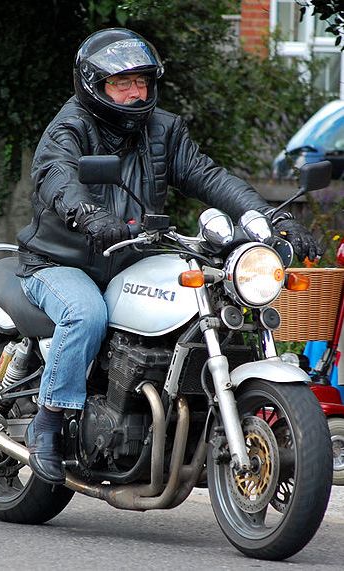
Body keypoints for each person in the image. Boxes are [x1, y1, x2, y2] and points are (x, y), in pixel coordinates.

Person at [16, 28, 321, 484]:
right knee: (85, 314)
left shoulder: (163, 130)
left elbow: (209, 177)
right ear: (94, 86)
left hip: (131, 258)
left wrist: (270, 218)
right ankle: (48, 422)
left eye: (141, 81)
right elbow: (57, 176)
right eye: (122, 83)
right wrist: (89, 215)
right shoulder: (70, 127)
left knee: (206, 300)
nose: (136, 93)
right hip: (61, 262)